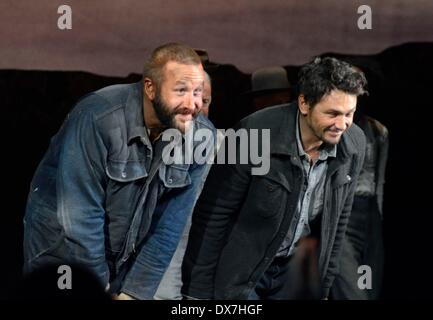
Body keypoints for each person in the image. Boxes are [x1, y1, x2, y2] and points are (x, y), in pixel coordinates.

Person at [23, 43, 216, 300]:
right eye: (181, 90)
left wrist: (133, 294)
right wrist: (100, 289)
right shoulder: (98, 116)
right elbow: (80, 215)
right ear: (150, 87)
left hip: (122, 253)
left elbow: (168, 226)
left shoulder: (201, 135)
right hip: (60, 247)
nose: (192, 104)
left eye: (198, 92)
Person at [182, 57, 367, 300]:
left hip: (291, 275)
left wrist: (324, 285)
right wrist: (196, 294)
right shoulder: (250, 133)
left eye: (349, 114)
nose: (341, 124)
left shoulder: (354, 143)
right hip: (240, 273)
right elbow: (213, 216)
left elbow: (337, 224)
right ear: (304, 103)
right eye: (332, 113)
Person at [330, 111, 388, 300]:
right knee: (349, 285)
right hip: (345, 210)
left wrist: (377, 214)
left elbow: (379, 178)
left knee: (369, 282)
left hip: (370, 212)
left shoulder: (378, 130)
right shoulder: (336, 127)